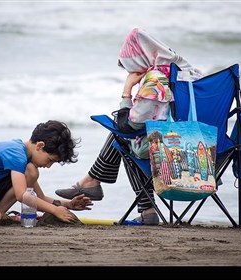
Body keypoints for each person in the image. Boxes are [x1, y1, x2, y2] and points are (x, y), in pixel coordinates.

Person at [55, 28, 202, 225]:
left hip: (172, 151)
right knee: (128, 138)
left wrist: (127, 90)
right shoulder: (189, 74)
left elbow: (130, 125)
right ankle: (93, 183)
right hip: (200, 148)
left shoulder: (156, 80)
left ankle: (136, 203)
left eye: (130, 67)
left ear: (139, 60)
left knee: (124, 138)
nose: (129, 72)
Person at [0, 120, 93, 225]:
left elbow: (40, 197)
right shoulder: (16, 154)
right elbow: (21, 195)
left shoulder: (26, 163)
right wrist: (55, 210)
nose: (49, 166)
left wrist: (69, 204)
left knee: (31, 171)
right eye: (50, 160)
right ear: (40, 146)